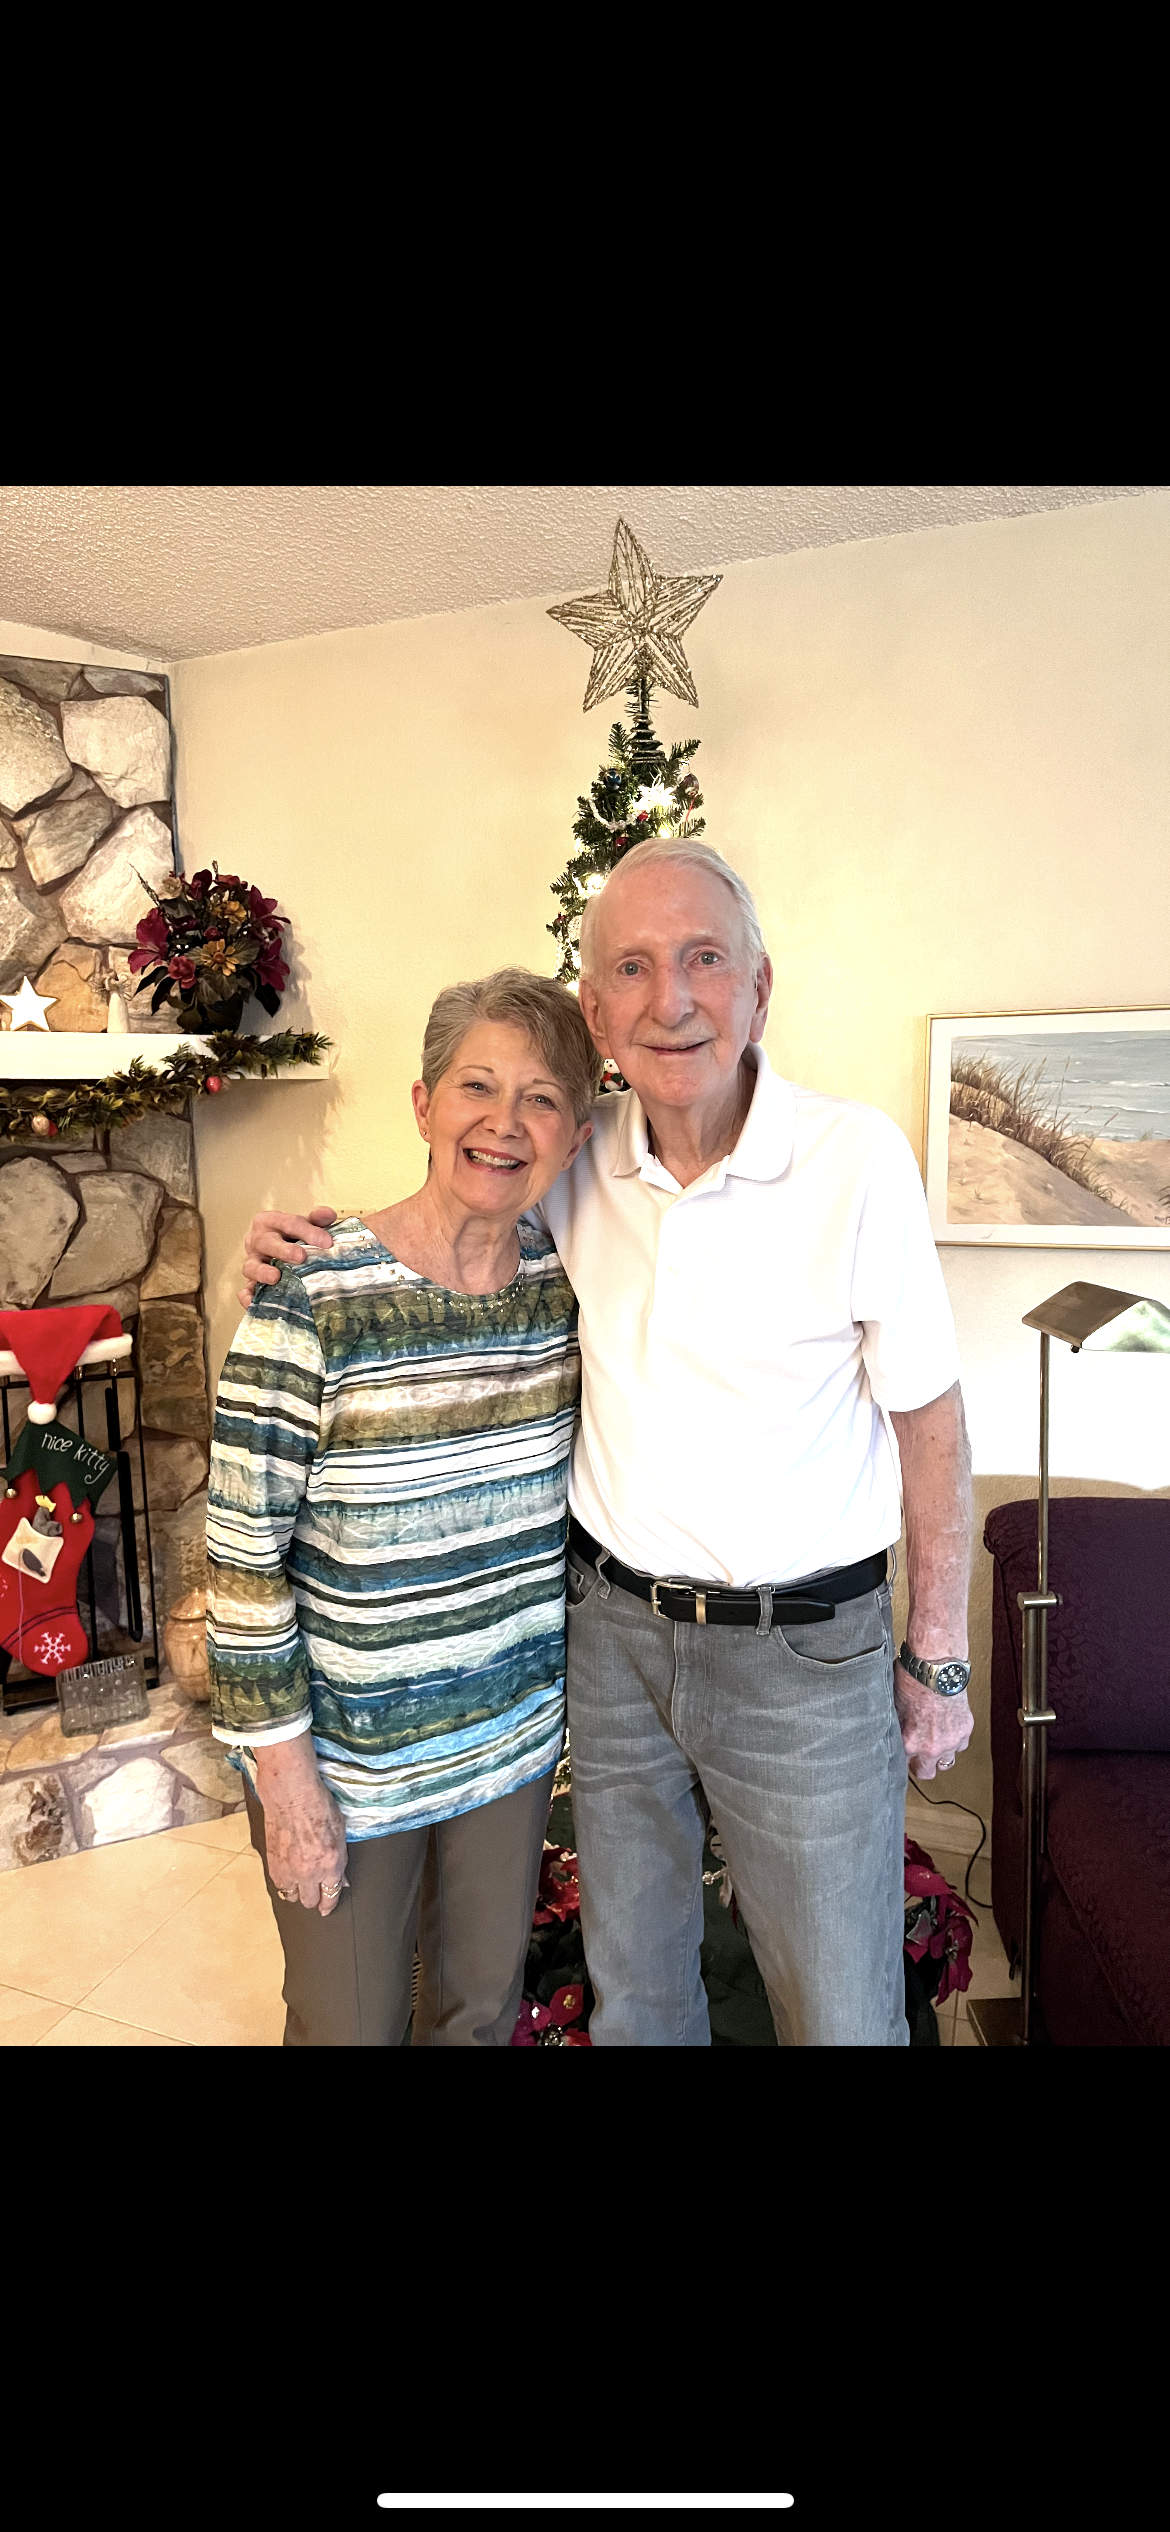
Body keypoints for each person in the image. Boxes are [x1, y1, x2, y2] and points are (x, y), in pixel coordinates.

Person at [242, 839, 973, 2047]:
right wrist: (294, 1251)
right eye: (632, 968)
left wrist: (937, 1649)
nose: (670, 999)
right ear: (596, 1008)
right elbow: (457, 1198)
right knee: (635, 1994)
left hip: (804, 1657)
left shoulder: (854, 1163)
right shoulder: (578, 1162)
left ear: (759, 987)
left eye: (703, 961)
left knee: (841, 2011)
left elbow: (931, 1422)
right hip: (614, 1641)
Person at [208, 969, 597, 2045]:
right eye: (476, 1086)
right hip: (346, 1765)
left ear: (573, 1133)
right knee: (349, 2026)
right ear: (423, 1107)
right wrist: (286, 1784)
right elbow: (240, 1567)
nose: (504, 1123)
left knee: (476, 2016)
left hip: (507, 1751)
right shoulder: (312, 1295)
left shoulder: (569, 1292)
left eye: (541, 1098)